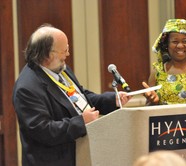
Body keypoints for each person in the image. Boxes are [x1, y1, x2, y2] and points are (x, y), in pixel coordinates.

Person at [12, 24, 131, 166]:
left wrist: (113, 100)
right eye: (65, 50)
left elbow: (80, 97)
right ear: (49, 55)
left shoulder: (60, 68)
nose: (68, 54)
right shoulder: (27, 88)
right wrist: (81, 122)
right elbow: (44, 131)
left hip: (80, 155)